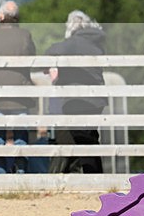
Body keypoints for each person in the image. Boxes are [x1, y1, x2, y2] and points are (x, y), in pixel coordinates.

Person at [45, 10, 106, 174]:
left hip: (77, 100)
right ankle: (96, 176)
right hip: (96, 99)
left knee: (82, 140)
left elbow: (50, 52)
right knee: (91, 138)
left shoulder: (74, 42)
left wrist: (48, 67)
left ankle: (91, 176)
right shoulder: (95, 41)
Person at [0, 1, 36, 173]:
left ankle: (0, 174)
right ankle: (21, 174)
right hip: (20, 95)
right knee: (21, 138)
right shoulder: (25, 35)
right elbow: (32, 58)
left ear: (1, 16)